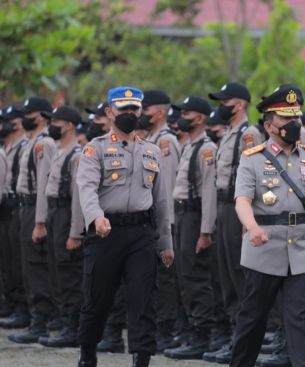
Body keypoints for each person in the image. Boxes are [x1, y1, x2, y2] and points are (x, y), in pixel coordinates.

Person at [229, 85, 305, 367]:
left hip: (300, 247)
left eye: (296, 117)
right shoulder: (253, 159)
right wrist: (252, 227)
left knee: (300, 317)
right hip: (264, 248)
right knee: (253, 317)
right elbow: (242, 201)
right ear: (269, 125)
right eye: (285, 118)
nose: (293, 123)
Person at [76, 86, 173, 367]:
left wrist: (166, 244)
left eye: (134, 109)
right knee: (97, 299)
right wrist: (96, 217)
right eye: (123, 109)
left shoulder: (152, 151)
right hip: (106, 232)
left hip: (142, 234)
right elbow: (87, 188)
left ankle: (141, 358)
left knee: (143, 300)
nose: (130, 114)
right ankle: (87, 354)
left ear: (141, 111)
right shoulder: (95, 148)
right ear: (109, 112)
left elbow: (162, 200)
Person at [204, 82, 264, 363]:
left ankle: (244, 341)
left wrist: (247, 217)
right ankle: (232, 336)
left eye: (225, 101)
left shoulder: (248, 134)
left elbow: (251, 174)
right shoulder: (229, 133)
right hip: (222, 205)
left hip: (236, 207)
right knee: (225, 276)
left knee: (239, 278)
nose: (221, 105)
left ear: (239, 104)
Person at [163, 96, 218, 360]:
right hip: (182, 215)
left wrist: (206, 231)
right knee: (184, 275)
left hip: (196, 217)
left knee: (196, 276)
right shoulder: (189, 146)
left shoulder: (206, 149)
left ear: (200, 118)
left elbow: (209, 192)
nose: (182, 116)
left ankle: (202, 333)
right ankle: (189, 330)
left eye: (187, 112)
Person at [9, 96, 57, 345]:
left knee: (36, 266)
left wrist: (40, 221)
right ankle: (33, 317)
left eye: (28, 114)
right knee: (26, 265)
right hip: (23, 207)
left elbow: (43, 187)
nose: (23, 118)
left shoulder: (44, 144)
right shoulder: (32, 142)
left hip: (35, 209)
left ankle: (41, 321)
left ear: (40, 116)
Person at [38, 106, 85, 349]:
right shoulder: (59, 152)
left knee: (69, 274)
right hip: (55, 213)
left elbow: (78, 197)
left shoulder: (76, 155)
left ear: (68, 125)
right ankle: (65, 320)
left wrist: (76, 232)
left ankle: (73, 325)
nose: (51, 125)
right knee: (57, 270)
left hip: (67, 214)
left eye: (56, 121)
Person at [139, 90, 182, 353]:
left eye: (146, 109)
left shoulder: (165, 141)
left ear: (160, 112)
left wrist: (164, 224)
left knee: (166, 278)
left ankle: (166, 331)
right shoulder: (151, 139)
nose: (141, 114)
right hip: (150, 219)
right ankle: (157, 329)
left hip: (165, 219)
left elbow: (165, 186)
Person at [0, 106, 30, 330]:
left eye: (7, 121)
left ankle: (22, 307)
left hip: (20, 205)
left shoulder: (24, 146)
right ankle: (11, 302)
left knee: (20, 259)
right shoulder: (7, 146)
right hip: (7, 206)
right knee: (8, 259)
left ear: (17, 123)